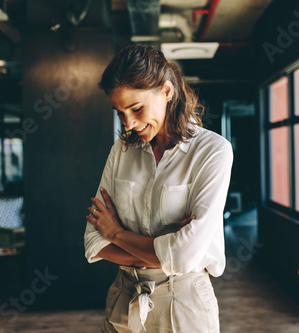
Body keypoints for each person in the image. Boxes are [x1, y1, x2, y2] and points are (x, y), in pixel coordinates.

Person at [84, 44, 233, 333]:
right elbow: (94, 242)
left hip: (184, 302)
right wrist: (168, 248)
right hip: (124, 296)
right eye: (119, 112)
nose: (129, 123)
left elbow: (186, 256)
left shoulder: (213, 151)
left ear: (167, 92)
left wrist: (115, 233)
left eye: (136, 108)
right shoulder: (121, 150)